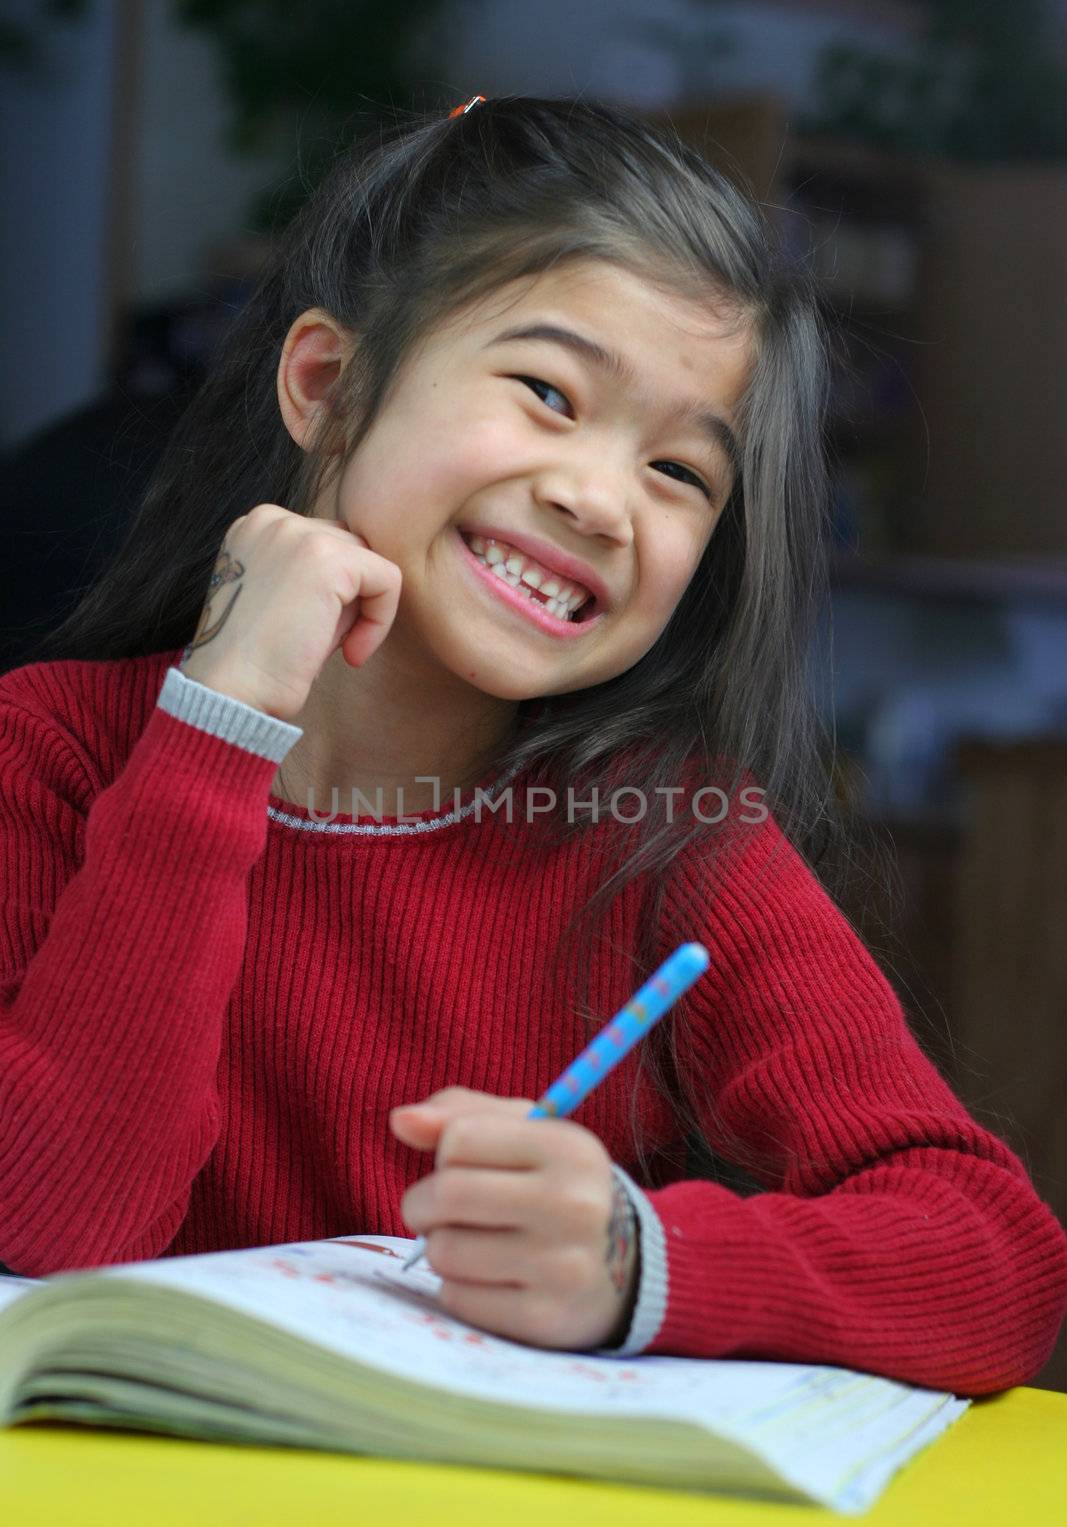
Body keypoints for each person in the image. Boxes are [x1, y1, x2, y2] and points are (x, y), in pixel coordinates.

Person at [0, 95, 1064, 1391]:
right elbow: (52, 1231)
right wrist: (218, 721)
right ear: (328, 387)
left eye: (681, 473)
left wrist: (634, 1262)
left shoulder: (676, 840)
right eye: (549, 393)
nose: (601, 499)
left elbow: (998, 1263)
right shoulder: (48, 750)